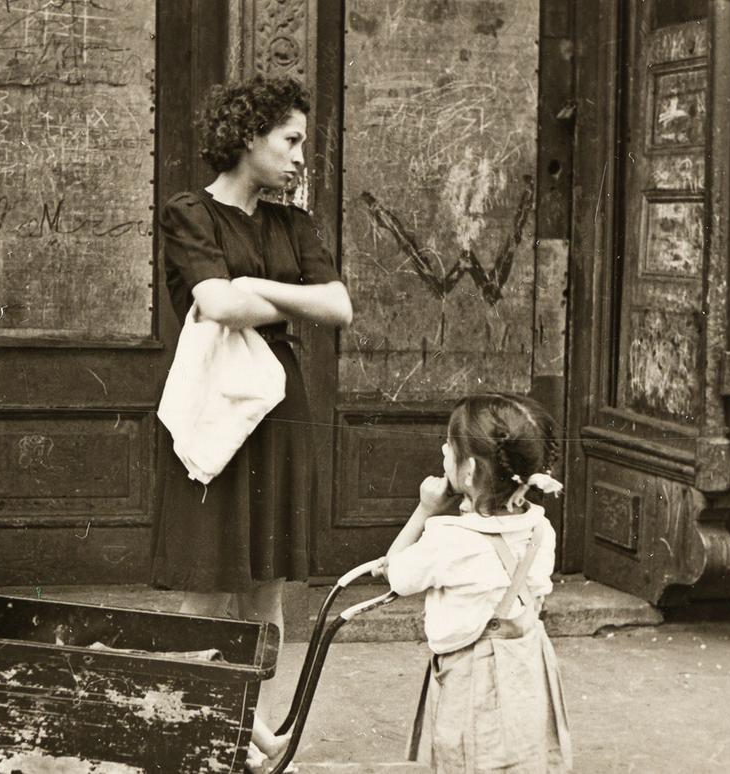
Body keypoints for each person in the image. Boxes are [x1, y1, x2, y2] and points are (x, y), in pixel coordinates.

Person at [150, 75, 353, 770]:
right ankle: (211, 727)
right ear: (247, 136)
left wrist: (252, 286)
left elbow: (339, 307)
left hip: (278, 410)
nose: (299, 157)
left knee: (266, 583)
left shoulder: (293, 224)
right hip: (216, 407)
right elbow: (217, 305)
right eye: (290, 140)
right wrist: (288, 297)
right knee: (206, 583)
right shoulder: (190, 215)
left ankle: (248, 724)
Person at [375, 394, 572, 773]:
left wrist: (425, 509)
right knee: (523, 756)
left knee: (469, 757)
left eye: (450, 445)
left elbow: (395, 573)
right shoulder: (540, 529)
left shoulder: (448, 539)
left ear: (468, 472)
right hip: (527, 666)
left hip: (472, 677)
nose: (443, 449)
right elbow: (538, 594)